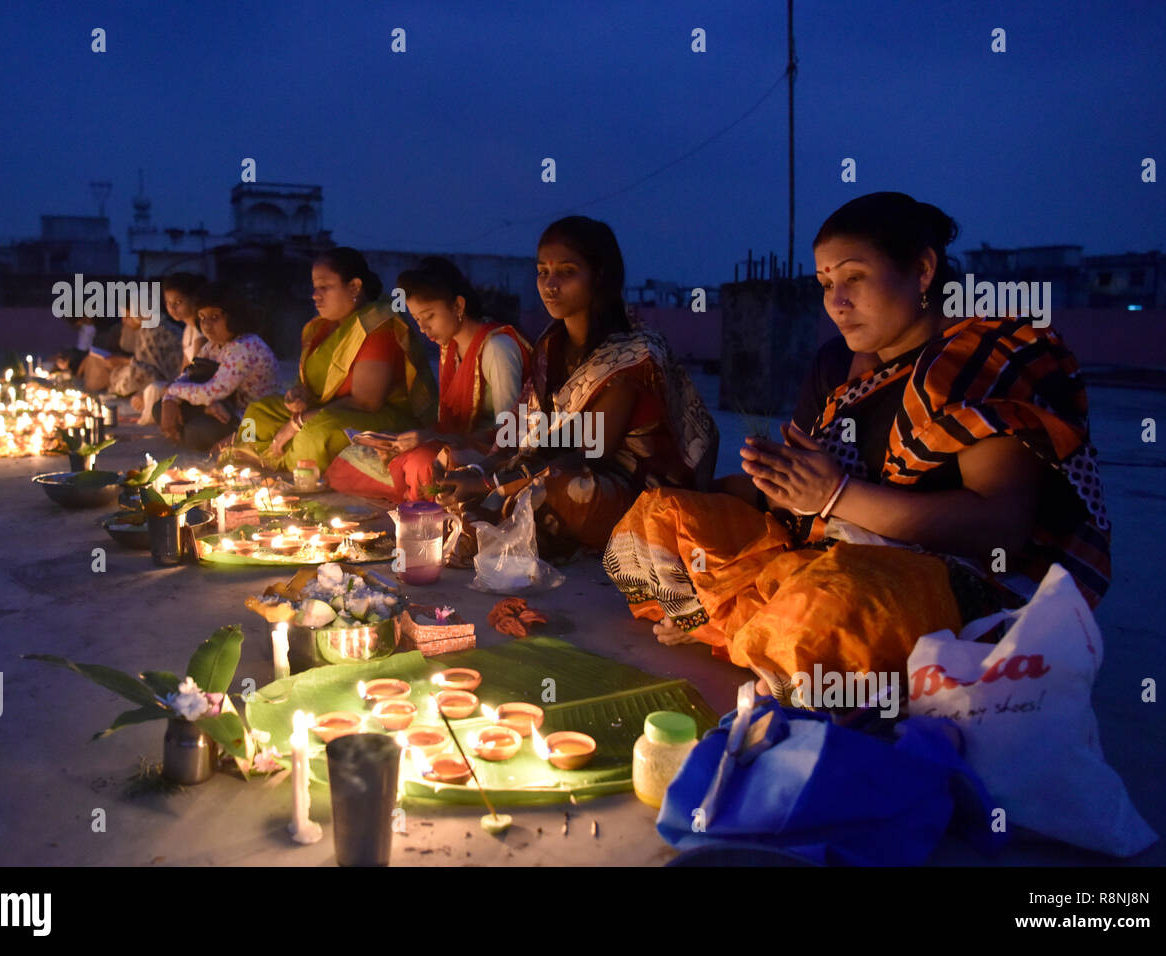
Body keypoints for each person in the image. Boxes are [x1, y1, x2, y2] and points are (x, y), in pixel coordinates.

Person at [603, 192, 1112, 690]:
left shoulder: (976, 365)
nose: (836, 302)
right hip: (818, 553)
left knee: (831, 608)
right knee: (655, 520)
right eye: (826, 283)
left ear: (923, 270)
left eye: (854, 278)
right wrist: (764, 486)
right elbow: (796, 511)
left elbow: (999, 529)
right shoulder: (834, 363)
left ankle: (739, 628)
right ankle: (750, 635)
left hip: (934, 574)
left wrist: (838, 495)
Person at [434, 216, 718, 559]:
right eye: (542, 272)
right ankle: (496, 520)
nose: (550, 285)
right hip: (553, 461)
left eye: (566, 272)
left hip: (626, 490)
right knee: (455, 460)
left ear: (599, 276)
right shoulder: (551, 346)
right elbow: (524, 428)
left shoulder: (632, 355)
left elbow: (588, 449)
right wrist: (480, 468)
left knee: (560, 489)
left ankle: (494, 522)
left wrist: (488, 483)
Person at [325, 256, 532, 500]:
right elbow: (448, 424)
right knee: (351, 457)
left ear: (458, 306)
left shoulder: (497, 348)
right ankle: (415, 484)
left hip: (493, 455)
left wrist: (434, 439)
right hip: (456, 444)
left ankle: (423, 487)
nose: (423, 328)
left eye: (429, 316)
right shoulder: (450, 348)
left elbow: (511, 436)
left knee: (424, 465)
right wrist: (402, 443)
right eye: (417, 320)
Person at [224, 247, 438, 473]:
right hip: (324, 409)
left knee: (315, 436)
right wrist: (298, 395)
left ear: (354, 286)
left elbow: (366, 402)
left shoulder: (378, 325)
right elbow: (312, 385)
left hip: (377, 416)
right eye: (315, 288)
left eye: (325, 287)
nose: (316, 295)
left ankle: (275, 462)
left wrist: (297, 422)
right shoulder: (319, 328)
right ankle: (252, 454)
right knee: (258, 412)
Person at [159, 282, 280, 452]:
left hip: (251, 422)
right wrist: (169, 400)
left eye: (214, 317)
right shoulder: (214, 345)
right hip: (225, 409)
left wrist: (172, 391)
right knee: (161, 408)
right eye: (202, 318)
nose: (207, 325)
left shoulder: (245, 346)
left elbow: (212, 391)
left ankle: (202, 438)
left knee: (197, 432)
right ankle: (187, 432)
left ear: (234, 316)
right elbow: (188, 375)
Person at [133, 272, 208, 423]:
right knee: (153, 393)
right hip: (186, 387)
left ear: (193, 300)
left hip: (200, 391)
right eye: (168, 303)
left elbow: (197, 374)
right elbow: (183, 372)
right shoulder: (188, 331)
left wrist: (171, 391)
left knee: (155, 395)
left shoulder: (201, 331)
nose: (172, 308)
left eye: (178, 302)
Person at [74, 304, 183, 397]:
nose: (124, 321)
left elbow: (153, 372)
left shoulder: (152, 331)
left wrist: (123, 361)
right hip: (163, 377)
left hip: (170, 382)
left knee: (117, 376)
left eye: (127, 317)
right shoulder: (152, 325)